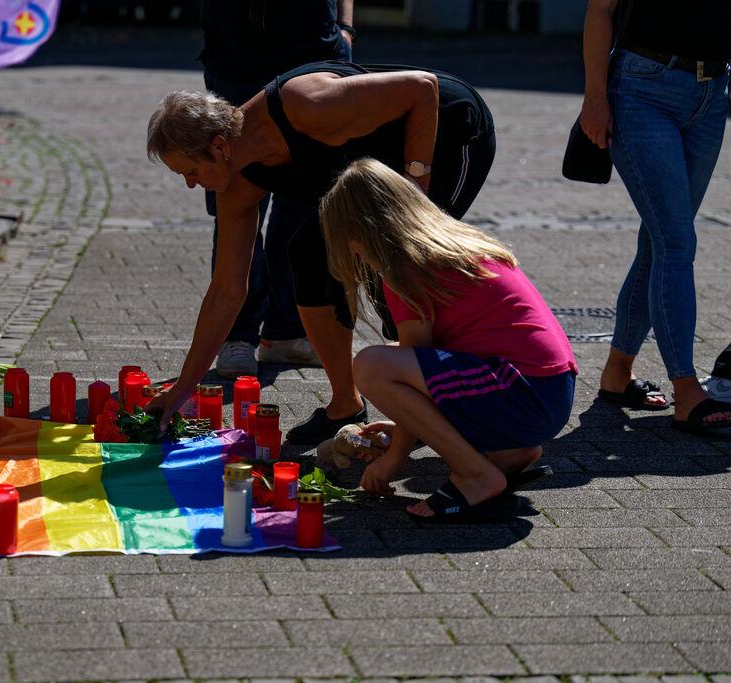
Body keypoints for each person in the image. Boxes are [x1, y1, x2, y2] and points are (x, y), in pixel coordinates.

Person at [145, 60, 495, 443]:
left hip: (445, 133)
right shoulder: (236, 185)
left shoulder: (306, 104)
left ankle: (468, 410)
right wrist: (181, 390)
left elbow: (422, 88)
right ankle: (346, 404)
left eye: (190, 172)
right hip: (375, 170)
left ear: (219, 146)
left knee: (406, 274)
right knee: (309, 257)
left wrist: (416, 187)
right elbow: (227, 289)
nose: (191, 186)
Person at [319, 158, 577, 521]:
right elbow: (432, 363)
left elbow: (413, 362)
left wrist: (395, 459)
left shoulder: (405, 267)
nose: (354, 253)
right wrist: (409, 426)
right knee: (394, 358)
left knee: (372, 365)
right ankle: (509, 455)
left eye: (350, 242)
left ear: (364, 231)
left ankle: (476, 475)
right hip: (550, 392)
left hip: (523, 392)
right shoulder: (452, 245)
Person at [581, 0, 731, 433]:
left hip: (712, 90)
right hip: (643, 87)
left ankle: (616, 374)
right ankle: (686, 391)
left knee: (659, 240)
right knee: (677, 242)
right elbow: (600, 11)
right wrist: (595, 98)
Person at [200, 0, 356, 378]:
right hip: (238, 57)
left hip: (315, 52)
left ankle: (285, 332)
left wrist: (345, 27)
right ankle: (238, 335)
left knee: (306, 199)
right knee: (235, 197)